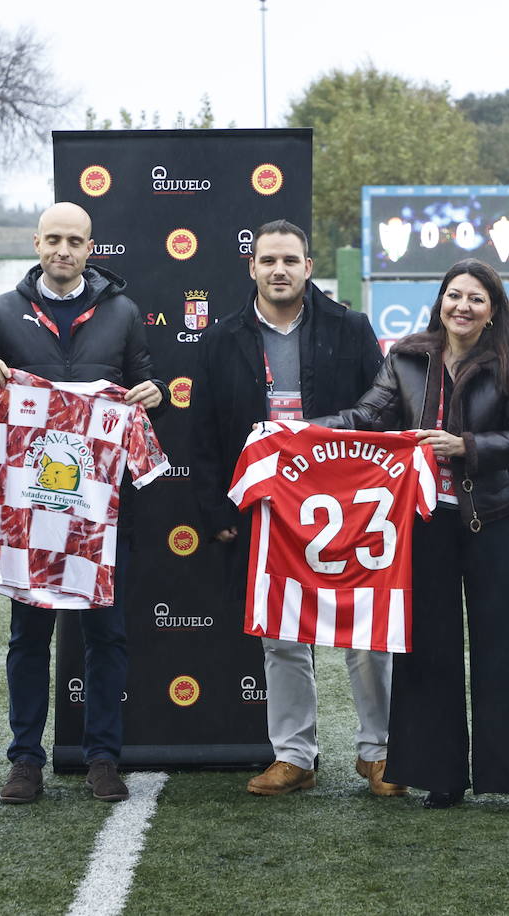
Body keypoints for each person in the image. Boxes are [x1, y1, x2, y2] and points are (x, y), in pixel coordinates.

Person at [317, 257, 509, 814]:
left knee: (505, 647)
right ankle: (440, 776)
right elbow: (367, 417)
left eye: (476, 299)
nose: (463, 306)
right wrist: (299, 430)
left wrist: (467, 446)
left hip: (491, 517)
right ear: (441, 300)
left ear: (492, 309)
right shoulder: (408, 355)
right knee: (428, 651)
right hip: (424, 520)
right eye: (455, 295)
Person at [0, 202, 166, 805]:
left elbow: (142, 379)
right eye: (53, 239)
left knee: (107, 634)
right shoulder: (2, 311)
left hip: (101, 510)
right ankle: (24, 758)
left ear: (90, 247)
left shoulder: (122, 311)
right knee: (29, 636)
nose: (62, 249)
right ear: (36, 242)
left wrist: (150, 392)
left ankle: (104, 757)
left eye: (74, 241)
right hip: (31, 511)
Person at [191, 219, 397, 797]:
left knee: (364, 631)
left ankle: (378, 753)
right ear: (251, 268)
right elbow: (203, 437)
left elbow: (381, 413)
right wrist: (219, 513)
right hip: (265, 510)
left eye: (290, 260)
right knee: (281, 635)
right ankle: (294, 756)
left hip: (344, 506)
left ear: (309, 267)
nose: (278, 270)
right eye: (267, 260)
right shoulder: (220, 338)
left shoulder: (350, 328)